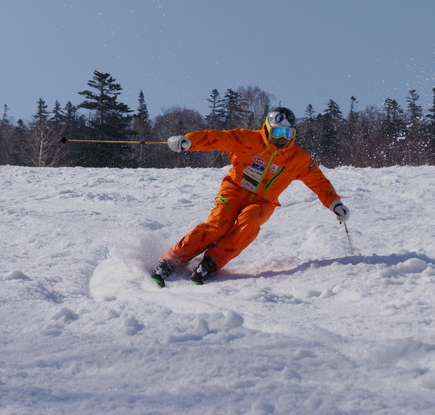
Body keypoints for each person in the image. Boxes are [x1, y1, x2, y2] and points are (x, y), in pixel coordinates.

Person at [150, 107, 350, 287]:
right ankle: (172, 259)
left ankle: (212, 262)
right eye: (277, 132)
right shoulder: (248, 139)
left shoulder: (297, 158)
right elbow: (217, 138)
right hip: (234, 190)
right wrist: (189, 141)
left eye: (288, 133)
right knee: (218, 225)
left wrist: (334, 202)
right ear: (267, 129)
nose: (282, 138)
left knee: (250, 222)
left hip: (263, 202)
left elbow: (319, 181)